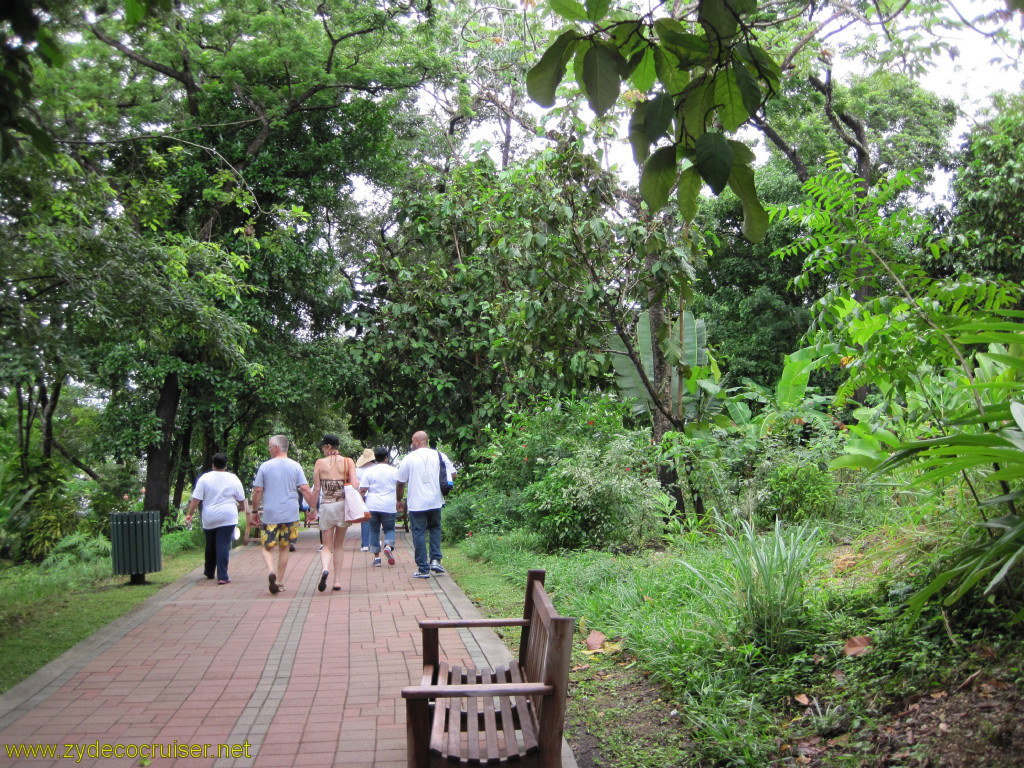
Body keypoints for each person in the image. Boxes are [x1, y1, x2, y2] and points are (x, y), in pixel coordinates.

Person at [251, 435, 318, 595]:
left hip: (271, 514)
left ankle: (271, 571)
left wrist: (254, 511)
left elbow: (258, 490)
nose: (268, 449)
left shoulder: (265, 466)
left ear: (277, 447)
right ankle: (279, 582)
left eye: (269, 446)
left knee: (267, 548)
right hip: (290, 514)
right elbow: (305, 489)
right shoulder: (296, 466)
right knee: (284, 548)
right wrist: (313, 509)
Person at [185, 453, 245, 585]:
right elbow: (241, 498)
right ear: (226, 465)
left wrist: (189, 514)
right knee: (223, 544)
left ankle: (209, 571)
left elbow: (196, 499)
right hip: (228, 515)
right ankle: (223, 576)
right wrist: (241, 507)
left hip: (210, 516)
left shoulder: (204, 478)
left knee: (210, 544)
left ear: (213, 464)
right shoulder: (233, 478)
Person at [311, 434, 360, 592]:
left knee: (327, 546)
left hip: (326, 506)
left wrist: (313, 508)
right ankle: (337, 581)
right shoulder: (348, 462)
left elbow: (317, 489)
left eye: (324, 447)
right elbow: (355, 484)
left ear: (329, 446)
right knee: (339, 545)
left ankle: (325, 569)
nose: (323, 450)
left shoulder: (320, 463)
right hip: (342, 506)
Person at [396, 430, 445, 579]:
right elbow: (452, 474)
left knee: (418, 532)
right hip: (435, 500)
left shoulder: (408, 459)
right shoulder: (439, 455)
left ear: (418, 442)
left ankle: (423, 568)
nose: (411, 444)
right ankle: (436, 560)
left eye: (412, 441)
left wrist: (399, 500)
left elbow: (400, 483)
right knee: (435, 528)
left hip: (417, 503)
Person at [359, 446, 399, 567]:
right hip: (389, 505)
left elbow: (362, 490)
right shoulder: (394, 471)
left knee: (374, 531)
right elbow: (400, 486)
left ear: (375, 458)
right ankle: (387, 546)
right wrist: (399, 500)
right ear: (386, 458)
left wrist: (360, 504)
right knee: (390, 529)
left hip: (372, 505)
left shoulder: (369, 471)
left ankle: (377, 559)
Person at [354, 448, 376, 551]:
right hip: (373, 496)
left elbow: (355, 484)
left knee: (365, 520)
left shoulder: (357, 470)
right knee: (375, 520)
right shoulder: (376, 468)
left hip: (361, 495)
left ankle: (365, 544)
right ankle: (373, 542)